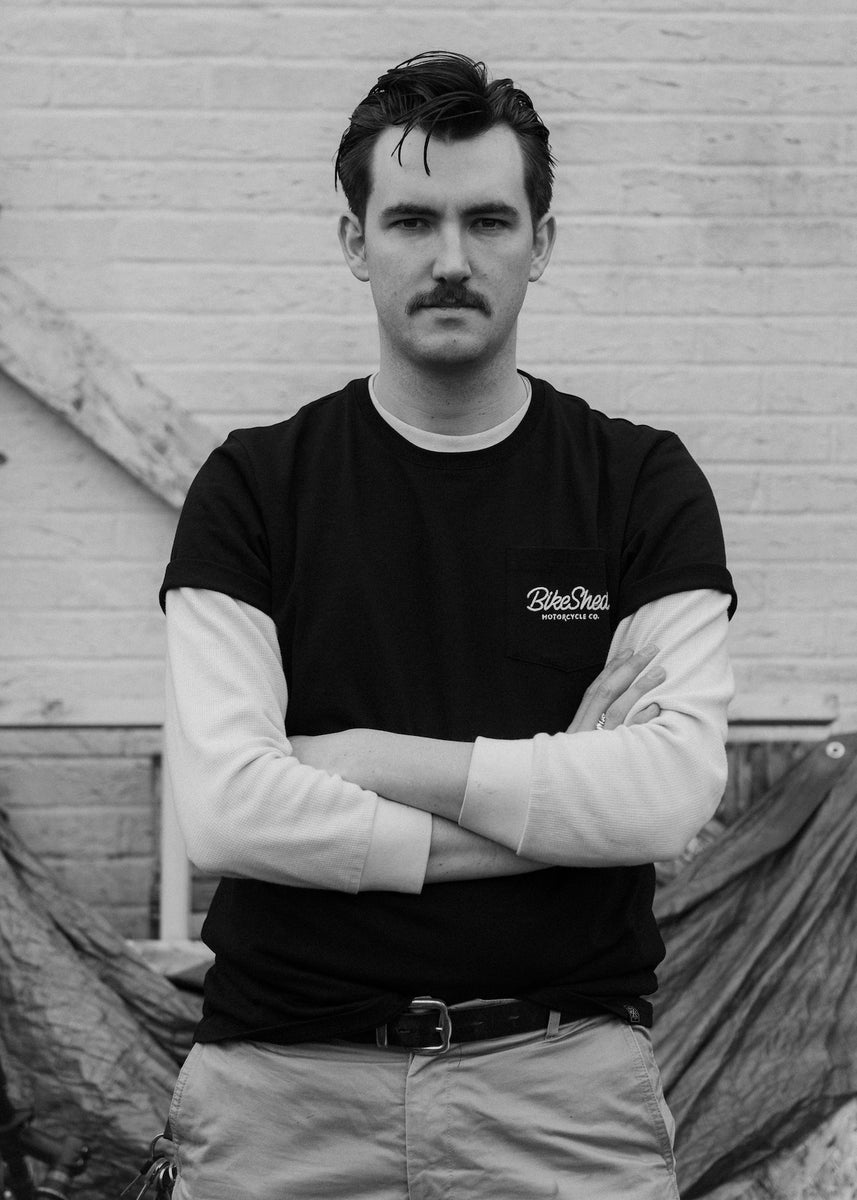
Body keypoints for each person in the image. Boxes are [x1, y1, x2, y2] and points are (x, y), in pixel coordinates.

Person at [160, 50, 736, 1200]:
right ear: (352, 241)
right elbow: (224, 810)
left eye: (488, 219)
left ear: (542, 241)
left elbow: (668, 794)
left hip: (563, 1093)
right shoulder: (253, 488)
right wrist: (559, 803)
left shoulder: (637, 486)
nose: (451, 259)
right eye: (411, 220)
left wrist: (367, 762)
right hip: (284, 1096)